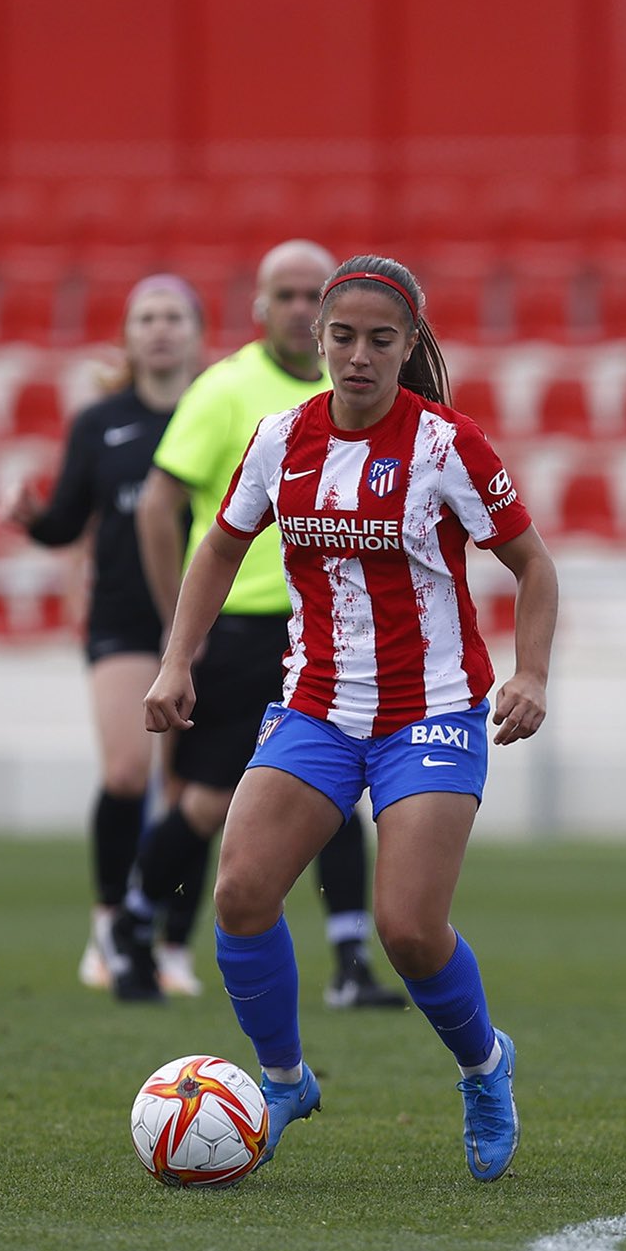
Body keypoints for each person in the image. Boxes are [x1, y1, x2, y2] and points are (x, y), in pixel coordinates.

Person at [144, 253, 558, 1181]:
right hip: (317, 707)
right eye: (342, 337)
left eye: (380, 340)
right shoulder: (279, 437)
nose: (358, 356)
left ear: (410, 344)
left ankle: (485, 1066)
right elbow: (216, 550)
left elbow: (533, 565)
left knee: (407, 929)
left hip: (432, 711)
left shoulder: (448, 445)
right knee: (242, 891)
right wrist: (179, 661)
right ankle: (285, 1080)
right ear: (317, 340)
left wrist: (530, 673)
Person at [135, 240, 406, 1010]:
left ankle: (350, 959)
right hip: (240, 628)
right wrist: (178, 630)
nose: (295, 308)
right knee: (209, 800)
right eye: (282, 295)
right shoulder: (226, 390)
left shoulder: (355, 386)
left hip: (324, 629)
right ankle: (134, 921)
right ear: (260, 306)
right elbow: (160, 504)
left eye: (308, 295)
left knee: (340, 789)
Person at [0, 274, 205, 1001]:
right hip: (121, 616)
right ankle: (111, 922)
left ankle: (173, 939)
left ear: (197, 331)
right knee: (127, 773)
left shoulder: (220, 412)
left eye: (173, 316)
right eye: (145, 317)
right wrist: (30, 517)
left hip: (206, 620)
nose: (159, 329)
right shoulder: (97, 422)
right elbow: (67, 520)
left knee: (192, 792)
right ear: (127, 334)